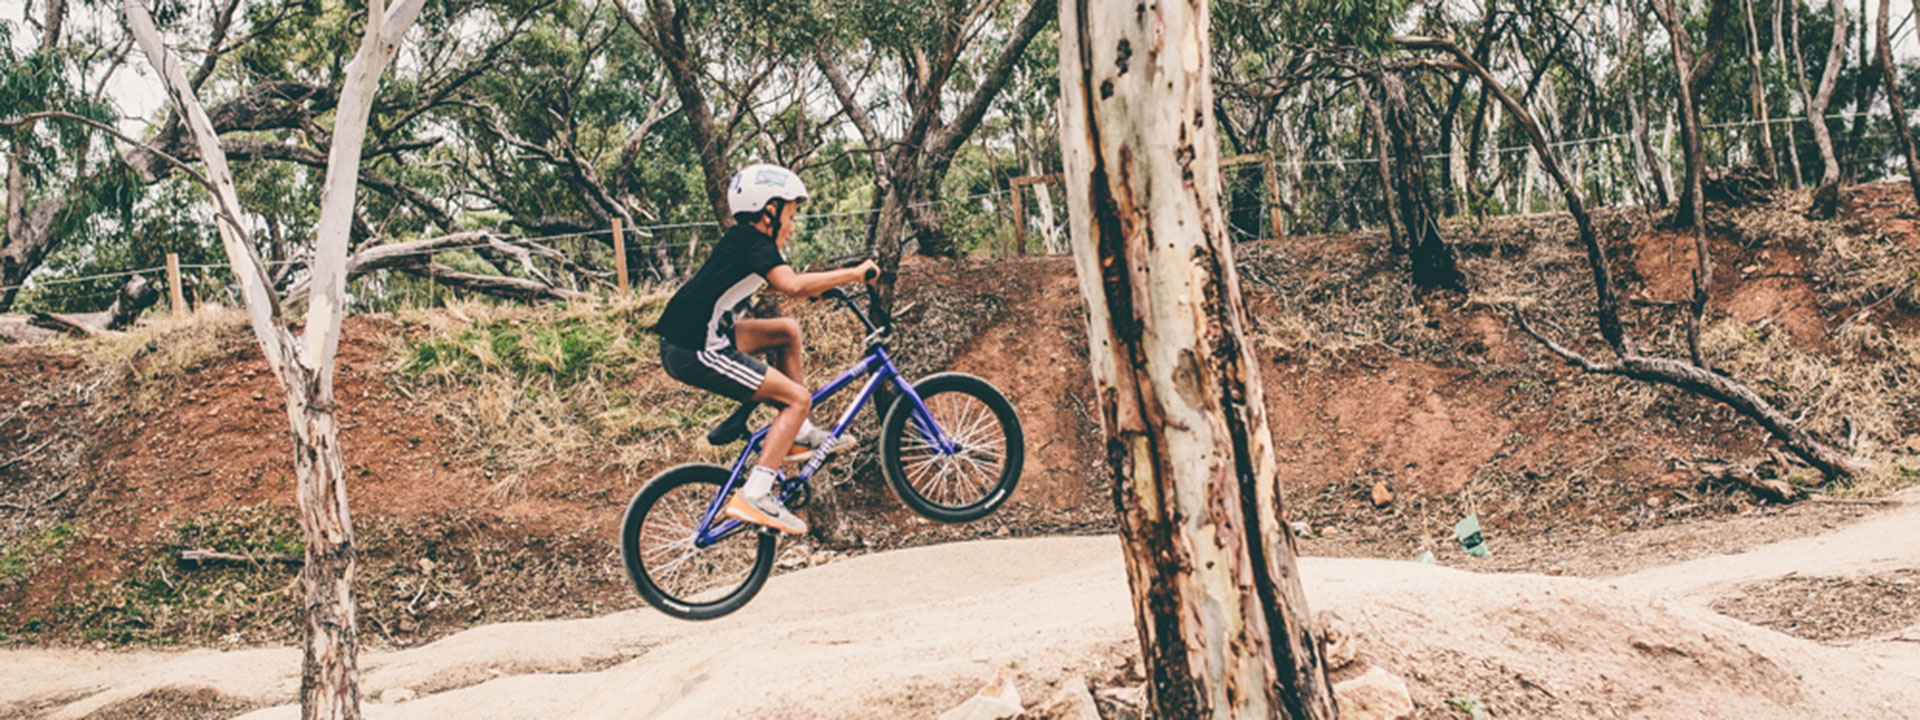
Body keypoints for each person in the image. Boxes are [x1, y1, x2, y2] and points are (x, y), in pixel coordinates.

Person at [655, 164, 877, 535]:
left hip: (699, 336)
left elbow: (771, 284)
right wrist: (854, 273)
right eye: (789, 216)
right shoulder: (752, 241)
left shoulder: (745, 243)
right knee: (797, 398)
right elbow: (790, 285)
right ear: (768, 211)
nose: (792, 227)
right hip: (696, 348)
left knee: (786, 332)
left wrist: (817, 289)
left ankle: (798, 434)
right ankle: (755, 493)